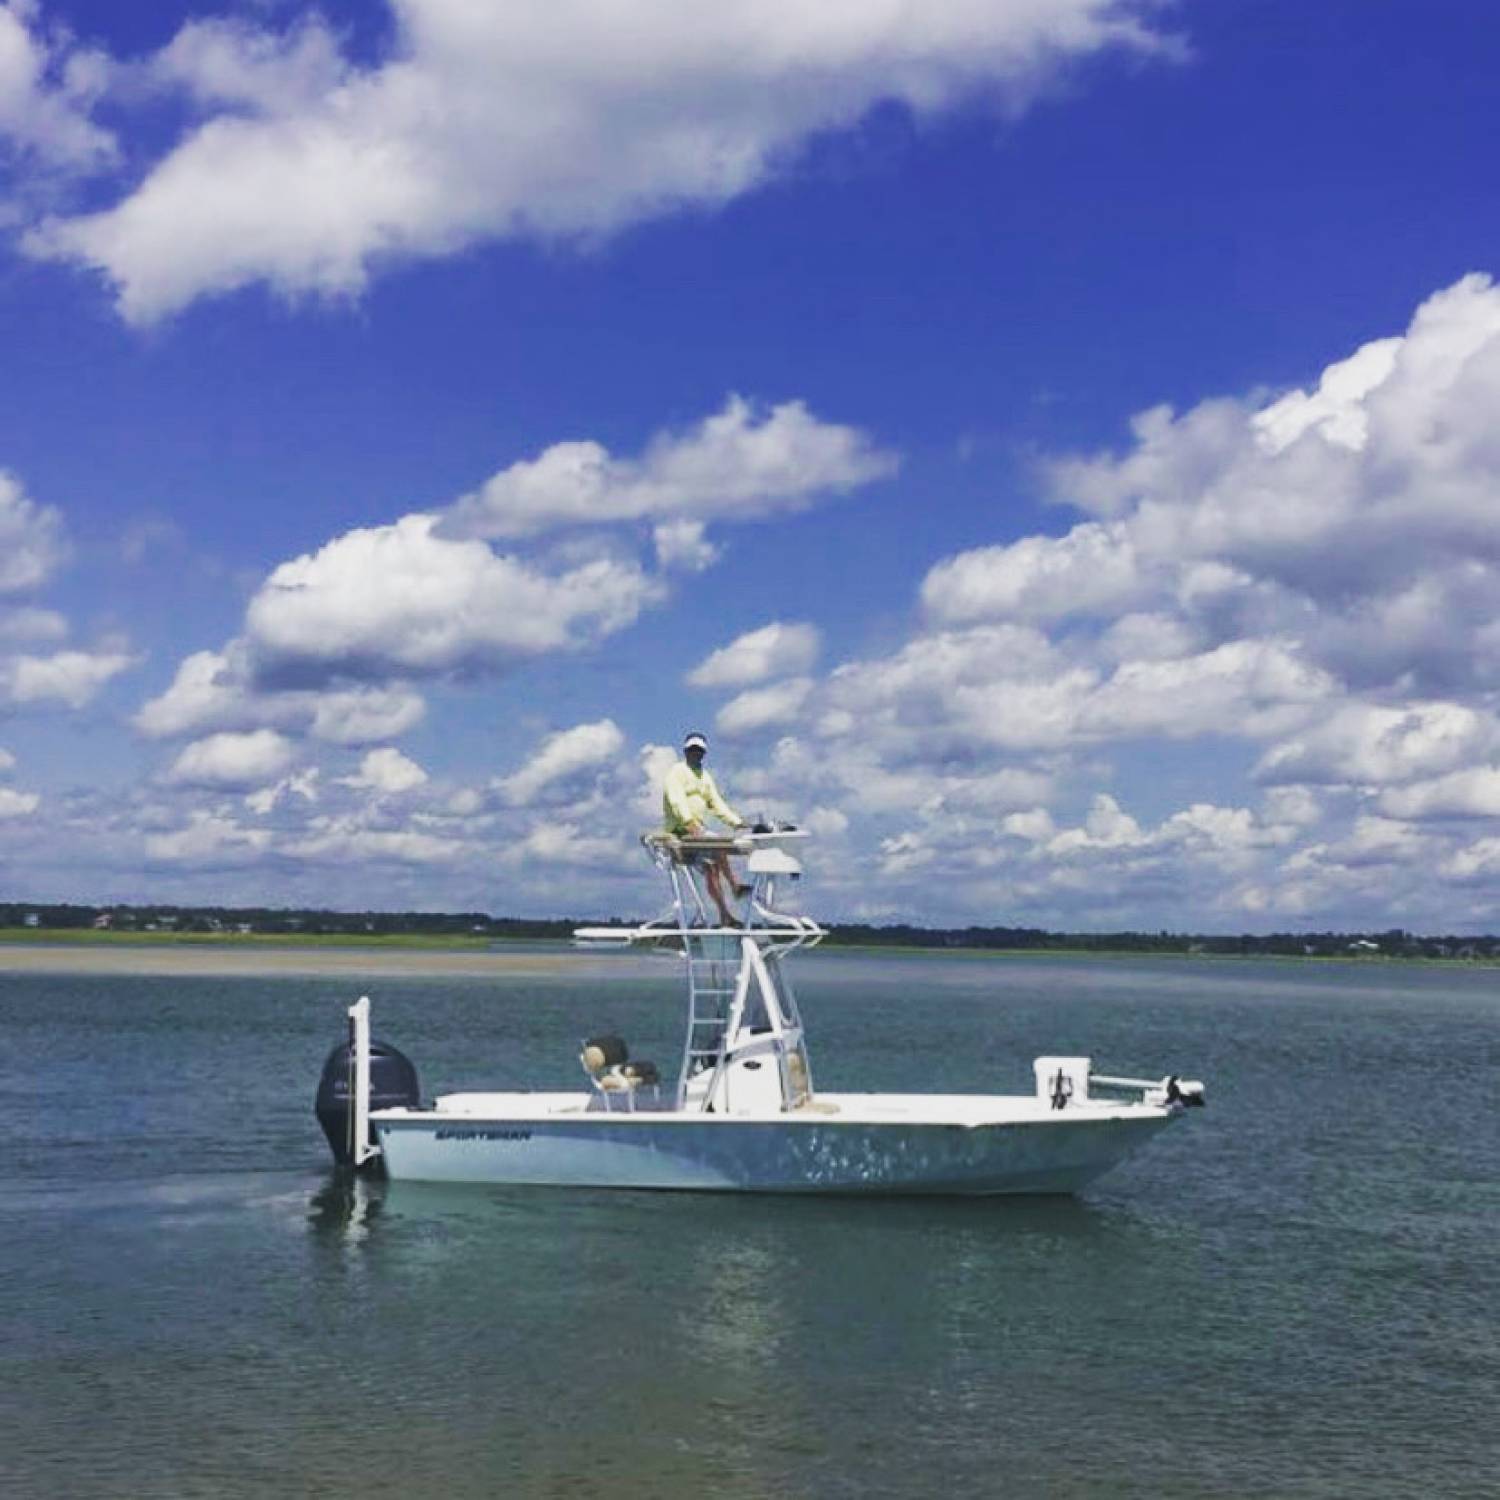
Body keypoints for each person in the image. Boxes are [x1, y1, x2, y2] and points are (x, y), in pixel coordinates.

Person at [662, 732, 749, 924]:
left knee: (715, 861)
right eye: (692, 749)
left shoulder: (705, 777)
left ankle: (725, 914)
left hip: (699, 829)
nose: (696, 753)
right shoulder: (676, 772)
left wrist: (736, 822)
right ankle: (734, 888)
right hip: (681, 830)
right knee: (715, 850)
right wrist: (688, 822)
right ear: (685, 751)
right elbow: (676, 800)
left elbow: (716, 803)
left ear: (704, 753)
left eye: (699, 750)